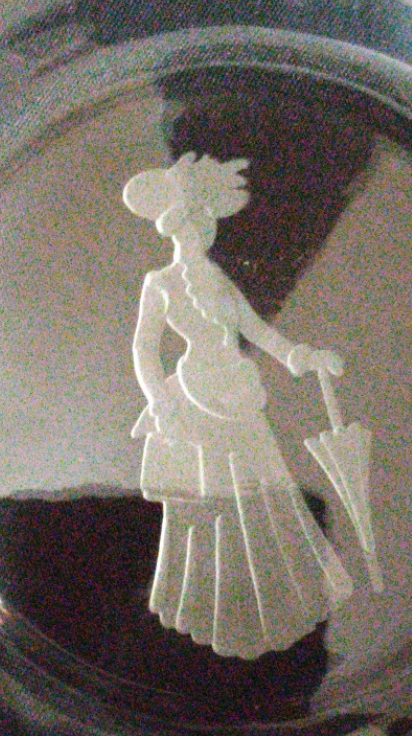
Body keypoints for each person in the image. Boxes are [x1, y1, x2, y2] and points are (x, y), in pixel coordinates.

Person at [123, 152, 354, 659]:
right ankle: (208, 606)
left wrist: (303, 357)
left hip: (236, 389)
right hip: (195, 397)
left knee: (265, 491)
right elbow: (144, 349)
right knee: (208, 502)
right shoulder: (160, 283)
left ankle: (279, 604)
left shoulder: (219, 280)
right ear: (177, 228)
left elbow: (257, 331)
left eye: (205, 223)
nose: (202, 232)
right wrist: (160, 401)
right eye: (194, 223)